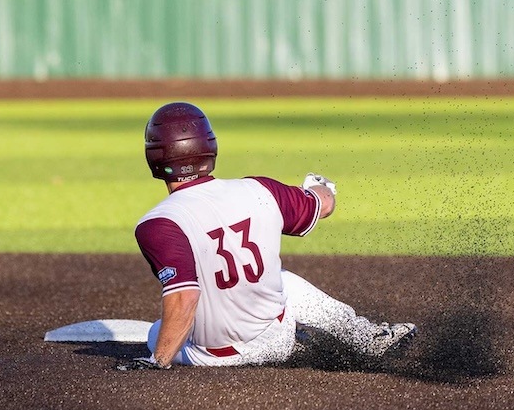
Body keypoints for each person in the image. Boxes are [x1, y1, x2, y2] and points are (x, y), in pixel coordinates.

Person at [125, 102, 416, 369]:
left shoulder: (158, 223)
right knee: (282, 279)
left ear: (155, 156)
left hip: (215, 358)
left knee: (156, 331)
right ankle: (364, 336)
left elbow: (184, 297)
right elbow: (324, 204)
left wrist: (157, 360)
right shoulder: (260, 190)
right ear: (209, 147)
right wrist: (323, 186)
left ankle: (302, 343)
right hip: (278, 337)